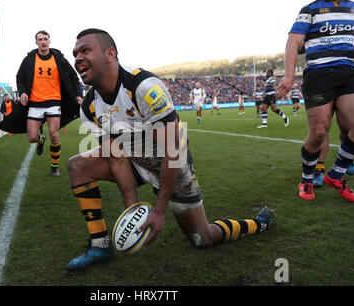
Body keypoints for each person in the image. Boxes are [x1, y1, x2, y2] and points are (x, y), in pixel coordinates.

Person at [66, 28, 274, 270]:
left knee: (202, 238)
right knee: (77, 165)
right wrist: (134, 211)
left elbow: (173, 151)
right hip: (134, 159)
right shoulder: (89, 106)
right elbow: (116, 158)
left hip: (172, 161)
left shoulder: (144, 87)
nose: (77, 57)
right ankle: (99, 245)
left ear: (110, 54)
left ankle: (258, 223)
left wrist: (159, 211)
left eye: (85, 50)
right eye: (75, 53)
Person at [276, 0, 354, 202]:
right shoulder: (310, 9)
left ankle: (336, 176)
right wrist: (288, 76)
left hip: (350, 73)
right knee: (319, 132)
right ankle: (306, 179)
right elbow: (293, 42)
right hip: (319, 75)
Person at [16, 30, 83, 177]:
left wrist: (78, 95)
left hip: (54, 102)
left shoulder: (58, 58)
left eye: (45, 39)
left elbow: (73, 77)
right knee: (32, 137)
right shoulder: (29, 59)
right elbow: (19, 77)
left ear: (49, 41)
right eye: (40, 39)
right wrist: (22, 93)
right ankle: (41, 139)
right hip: (34, 103)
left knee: (54, 135)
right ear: (36, 42)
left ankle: (54, 167)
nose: (43, 42)